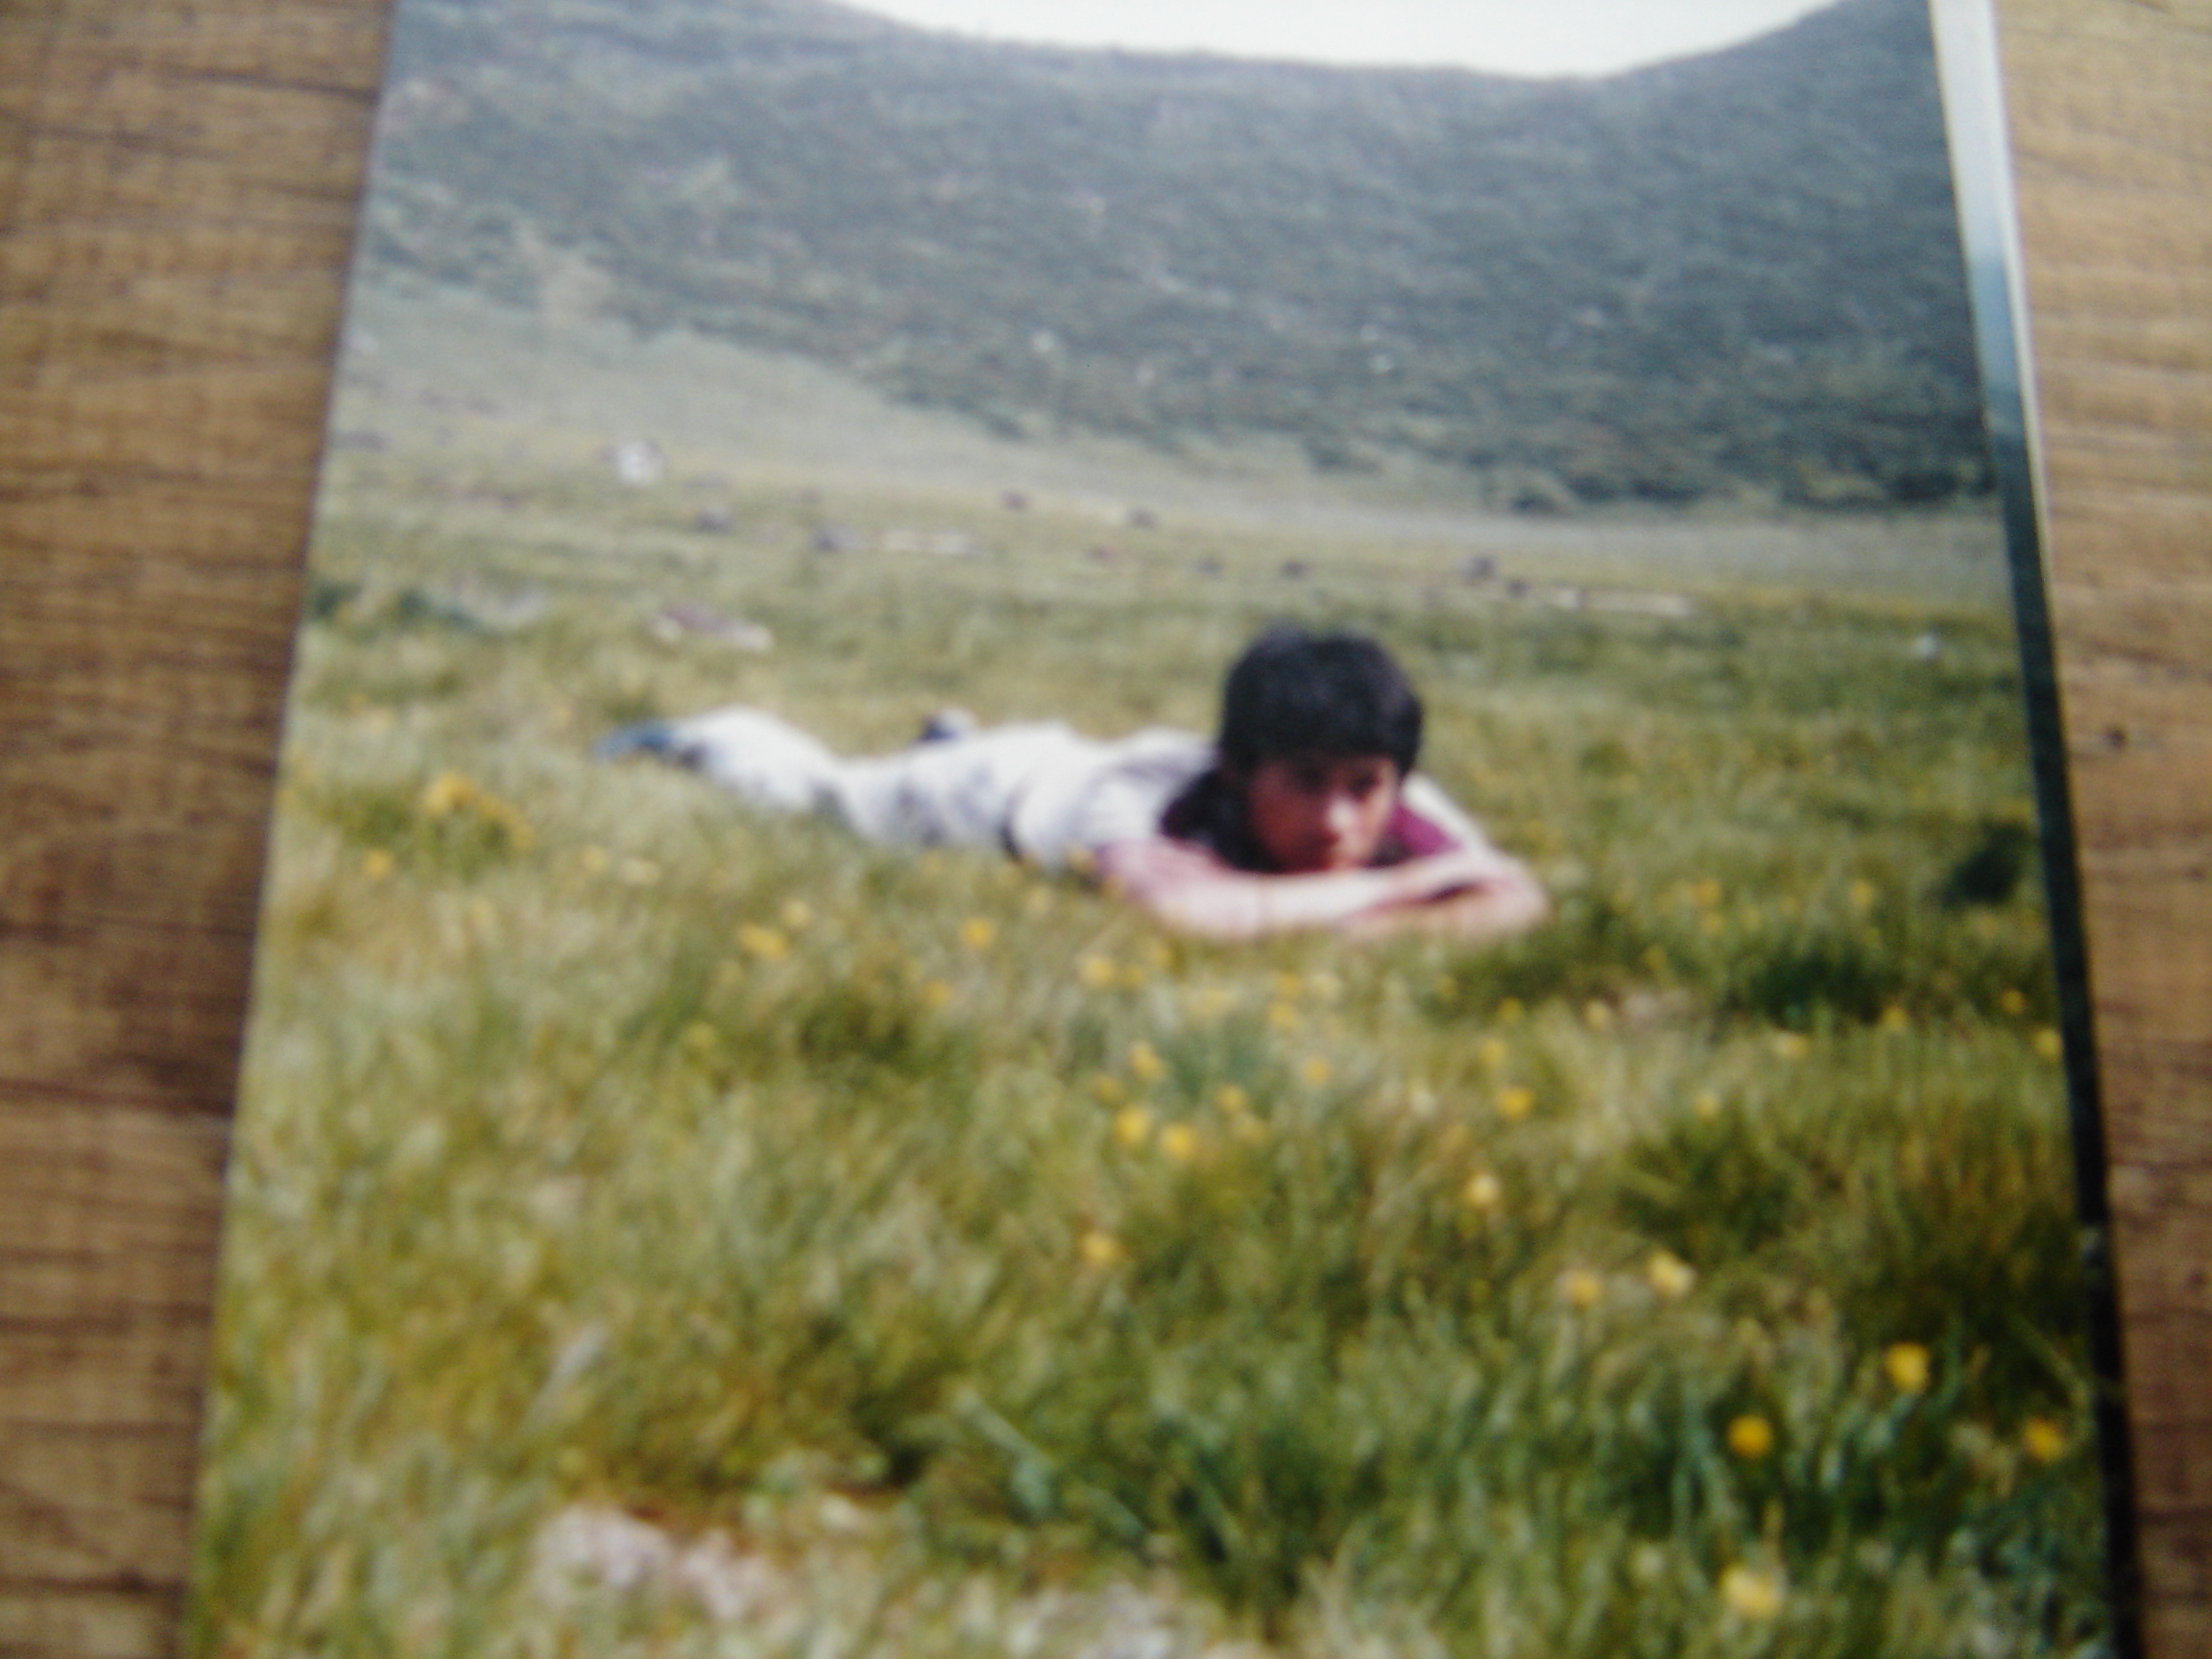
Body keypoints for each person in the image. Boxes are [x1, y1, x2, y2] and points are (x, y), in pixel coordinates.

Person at [601, 626, 1547, 942]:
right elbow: (1177, 917)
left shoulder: (1402, 800)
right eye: (1304, 782)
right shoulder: (1150, 792)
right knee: (810, 795)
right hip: (988, 798)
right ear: (1236, 769)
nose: (1339, 819)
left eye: (1364, 787)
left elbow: (1515, 898)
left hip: (1054, 778)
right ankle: (700, 735)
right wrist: (1406, 888)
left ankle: (944, 732)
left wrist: (1357, 929)